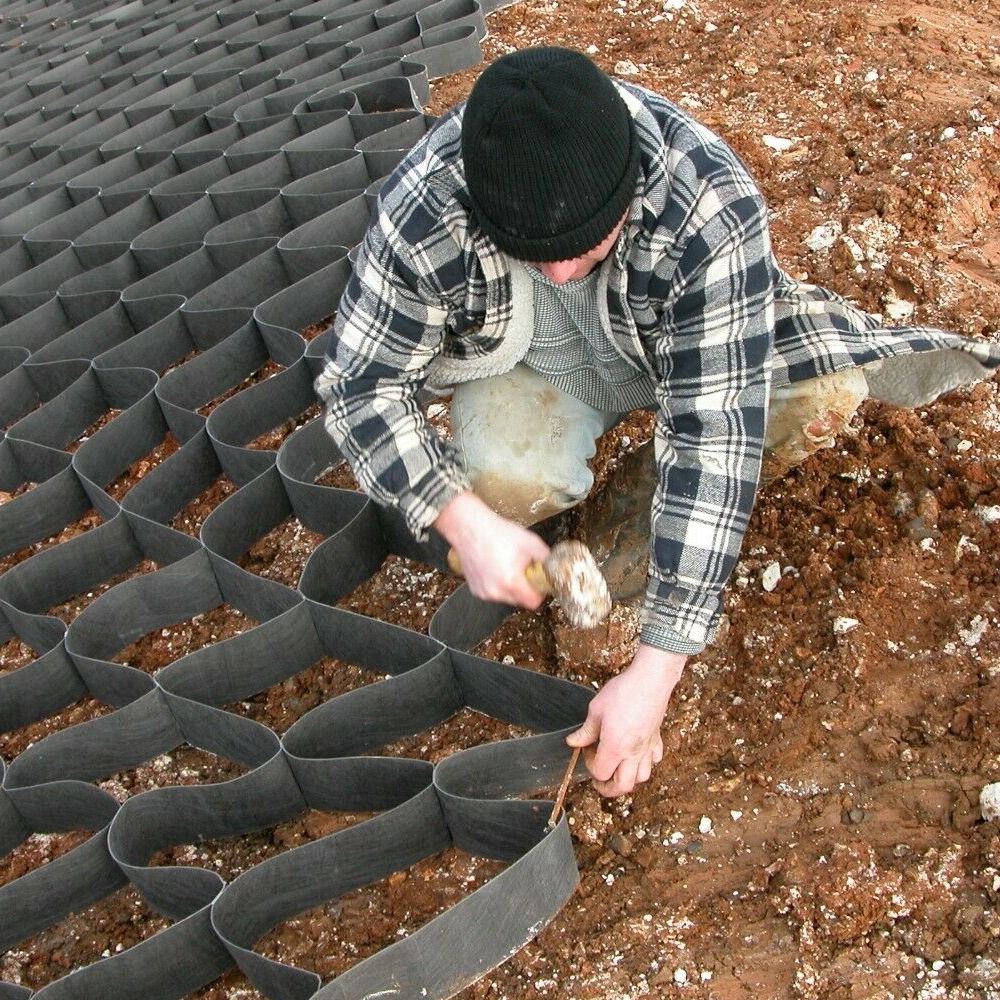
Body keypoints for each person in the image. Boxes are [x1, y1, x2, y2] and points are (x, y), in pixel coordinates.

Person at [314, 47, 999, 798]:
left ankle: (630, 525)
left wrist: (657, 667)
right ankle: (532, 532)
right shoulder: (429, 202)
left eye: (584, 246)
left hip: (674, 351)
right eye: (534, 254)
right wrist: (464, 522)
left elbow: (714, 433)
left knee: (821, 393)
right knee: (497, 492)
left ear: (630, 187)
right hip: (524, 362)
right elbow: (360, 385)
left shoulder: (705, 198)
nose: (562, 274)